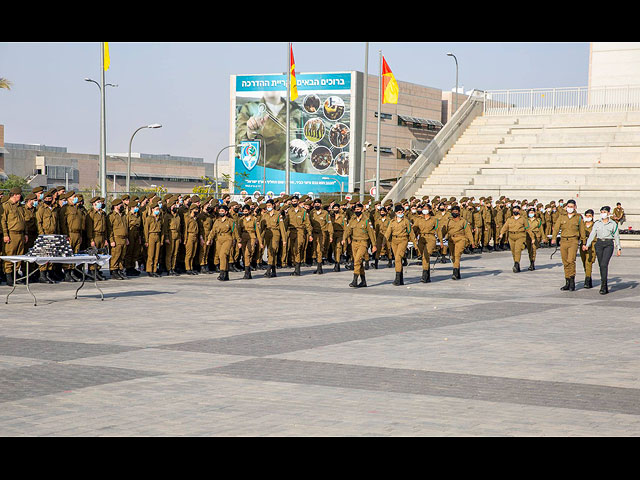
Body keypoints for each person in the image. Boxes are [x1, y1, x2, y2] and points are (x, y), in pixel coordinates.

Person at [584, 206, 622, 295]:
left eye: (604, 212)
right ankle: (603, 282)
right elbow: (592, 234)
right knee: (601, 265)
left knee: (604, 264)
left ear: (608, 213)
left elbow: (616, 236)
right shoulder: (597, 223)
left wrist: (618, 248)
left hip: (608, 244)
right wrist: (587, 245)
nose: (603, 213)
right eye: (601, 212)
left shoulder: (613, 224)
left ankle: (604, 286)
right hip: (599, 244)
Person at [551, 199, 586, 291]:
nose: (570, 208)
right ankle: (567, 281)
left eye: (572, 206)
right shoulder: (562, 217)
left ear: (575, 207)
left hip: (573, 240)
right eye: (568, 206)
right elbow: (556, 228)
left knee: (571, 260)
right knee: (565, 262)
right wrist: (554, 238)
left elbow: (582, 231)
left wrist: (584, 242)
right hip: (563, 241)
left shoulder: (578, 218)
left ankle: (572, 281)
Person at [342, 203, 377, 288]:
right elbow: (348, 230)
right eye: (355, 210)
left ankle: (354, 280)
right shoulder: (352, 220)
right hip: (354, 243)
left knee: (357, 260)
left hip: (363, 242)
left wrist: (374, 245)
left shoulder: (366, 220)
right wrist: (344, 238)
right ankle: (363, 281)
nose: (356, 211)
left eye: (358, 210)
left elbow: (371, 233)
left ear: (362, 210)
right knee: (359, 262)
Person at [207, 204, 241, 281]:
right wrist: (209, 239)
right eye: (220, 211)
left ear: (226, 212)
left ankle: (222, 273)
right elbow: (213, 231)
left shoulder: (230, 221)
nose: (220, 212)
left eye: (222, 211)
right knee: (222, 256)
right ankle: (226, 273)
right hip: (219, 239)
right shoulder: (217, 221)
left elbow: (235, 232)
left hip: (227, 238)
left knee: (223, 255)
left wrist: (238, 241)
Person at [1, 187, 27, 286]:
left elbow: (23, 221)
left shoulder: (20, 206)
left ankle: (15, 274)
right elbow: (3, 221)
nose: (20, 196)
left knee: (19, 256)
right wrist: (5, 234)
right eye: (19, 194)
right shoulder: (6, 206)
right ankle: (8, 276)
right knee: (9, 255)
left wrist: (26, 233)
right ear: (14, 195)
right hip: (11, 234)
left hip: (20, 234)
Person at [384, 204, 415, 286]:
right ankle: (400, 279)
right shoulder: (392, 222)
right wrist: (383, 242)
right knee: (398, 259)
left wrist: (415, 243)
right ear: (395, 213)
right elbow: (388, 232)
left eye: (401, 212)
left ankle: (397, 279)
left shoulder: (406, 221)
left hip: (403, 240)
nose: (400, 213)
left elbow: (411, 232)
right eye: (399, 212)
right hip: (394, 241)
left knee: (398, 258)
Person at [443, 205, 475, 280]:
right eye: (453, 212)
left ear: (459, 212)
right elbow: (444, 230)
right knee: (452, 256)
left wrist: (472, 242)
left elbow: (468, 232)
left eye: (456, 212)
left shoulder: (463, 221)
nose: (454, 213)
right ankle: (458, 272)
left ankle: (455, 273)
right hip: (451, 239)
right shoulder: (448, 221)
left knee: (457, 255)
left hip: (460, 239)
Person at [260, 199, 286, 278]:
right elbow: (261, 227)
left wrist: (284, 239)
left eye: (269, 206)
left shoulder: (278, 214)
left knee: (272, 250)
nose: (268, 207)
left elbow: (282, 227)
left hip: (275, 234)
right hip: (267, 234)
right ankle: (273, 270)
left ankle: (268, 271)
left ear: (273, 205)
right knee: (270, 252)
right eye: (267, 206)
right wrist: (259, 238)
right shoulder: (265, 215)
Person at [107, 198, 130, 280]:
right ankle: (114, 271)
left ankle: (120, 270)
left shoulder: (123, 215)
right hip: (116, 239)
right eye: (120, 204)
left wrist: (127, 238)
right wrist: (111, 240)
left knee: (122, 256)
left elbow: (125, 227)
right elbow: (110, 229)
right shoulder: (111, 216)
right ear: (115, 206)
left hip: (123, 238)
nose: (122, 206)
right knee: (115, 256)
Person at [579, 209, 597, 289]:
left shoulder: (595, 225)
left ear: (592, 216)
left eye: (589, 216)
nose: (588, 217)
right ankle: (588, 277)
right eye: (586, 216)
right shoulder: (582, 225)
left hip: (592, 245)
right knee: (584, 263)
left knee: (588, 262)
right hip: (583, 245)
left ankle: (587, 279)